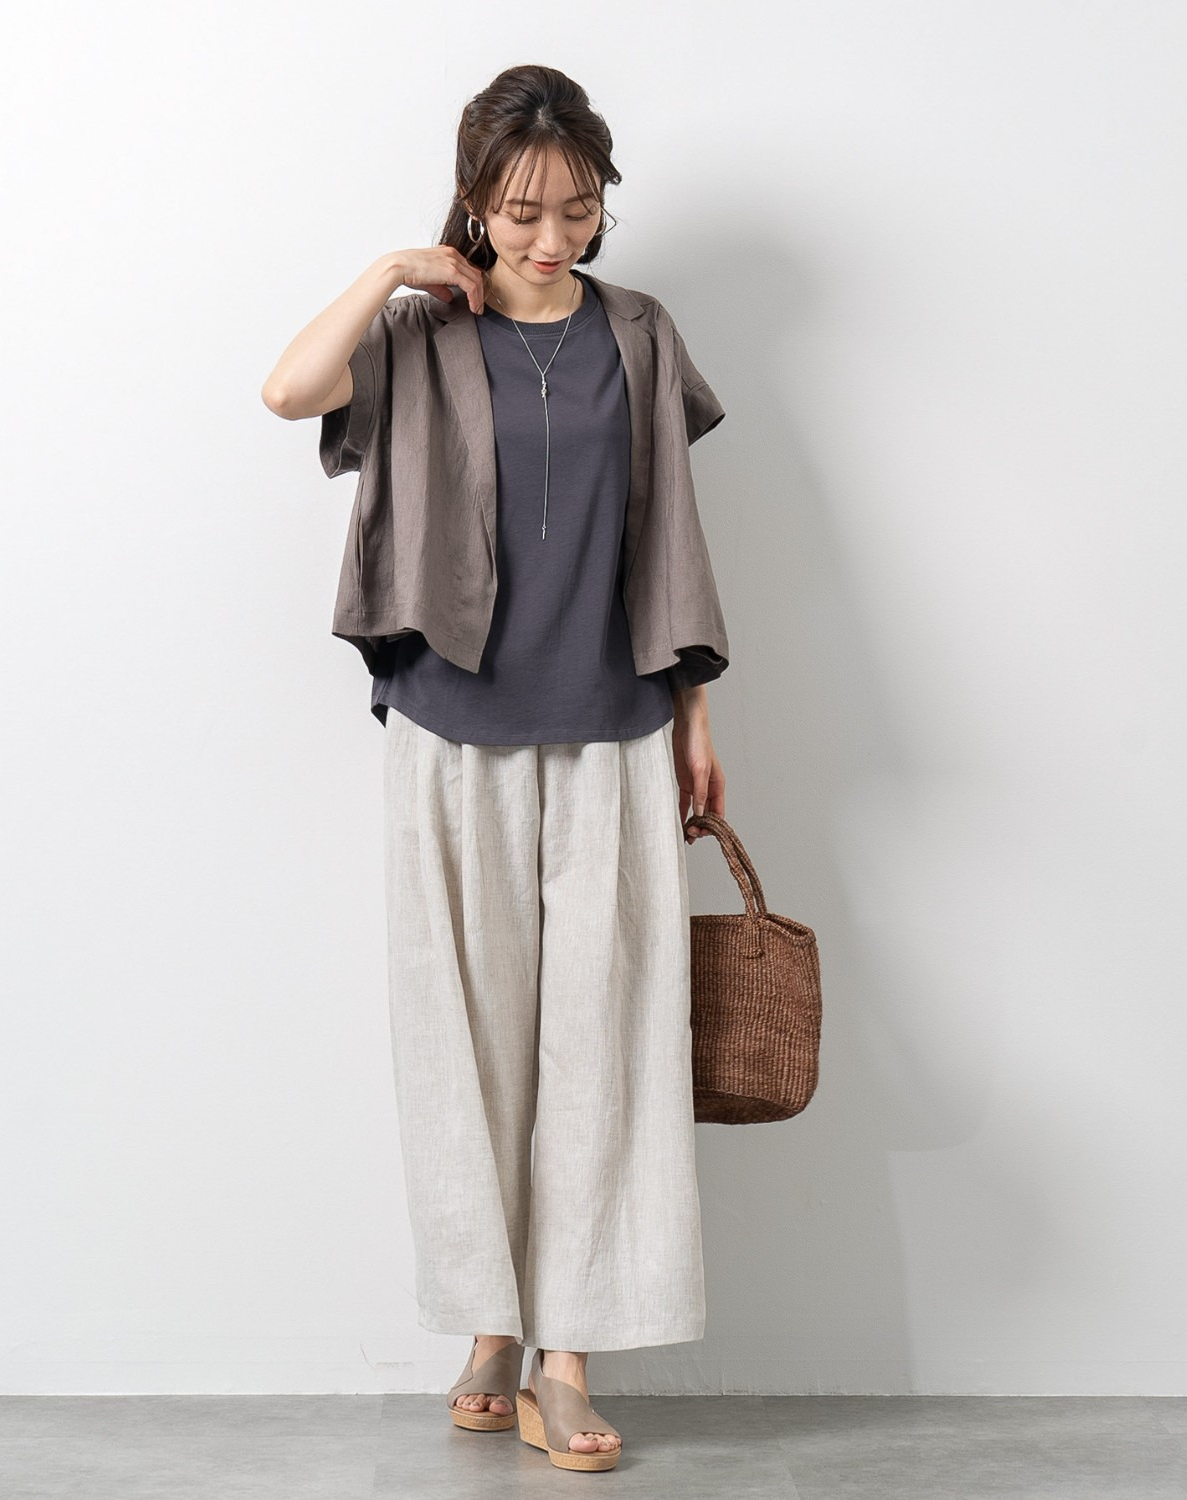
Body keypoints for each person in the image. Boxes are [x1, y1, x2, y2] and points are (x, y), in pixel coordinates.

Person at [261, 64, 731, 1473]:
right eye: (522, 211)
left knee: (604, 1041)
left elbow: (673, 527)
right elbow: (286, 391)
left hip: (614, 722)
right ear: (475, 201)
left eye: (577, 210)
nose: (550, 237)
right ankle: (488, 1325)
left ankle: (567, 1355)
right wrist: (391, 270)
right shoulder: (419, 333)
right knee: (461, 1037)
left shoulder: (638, 331)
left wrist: (699, 715)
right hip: (451, 722)